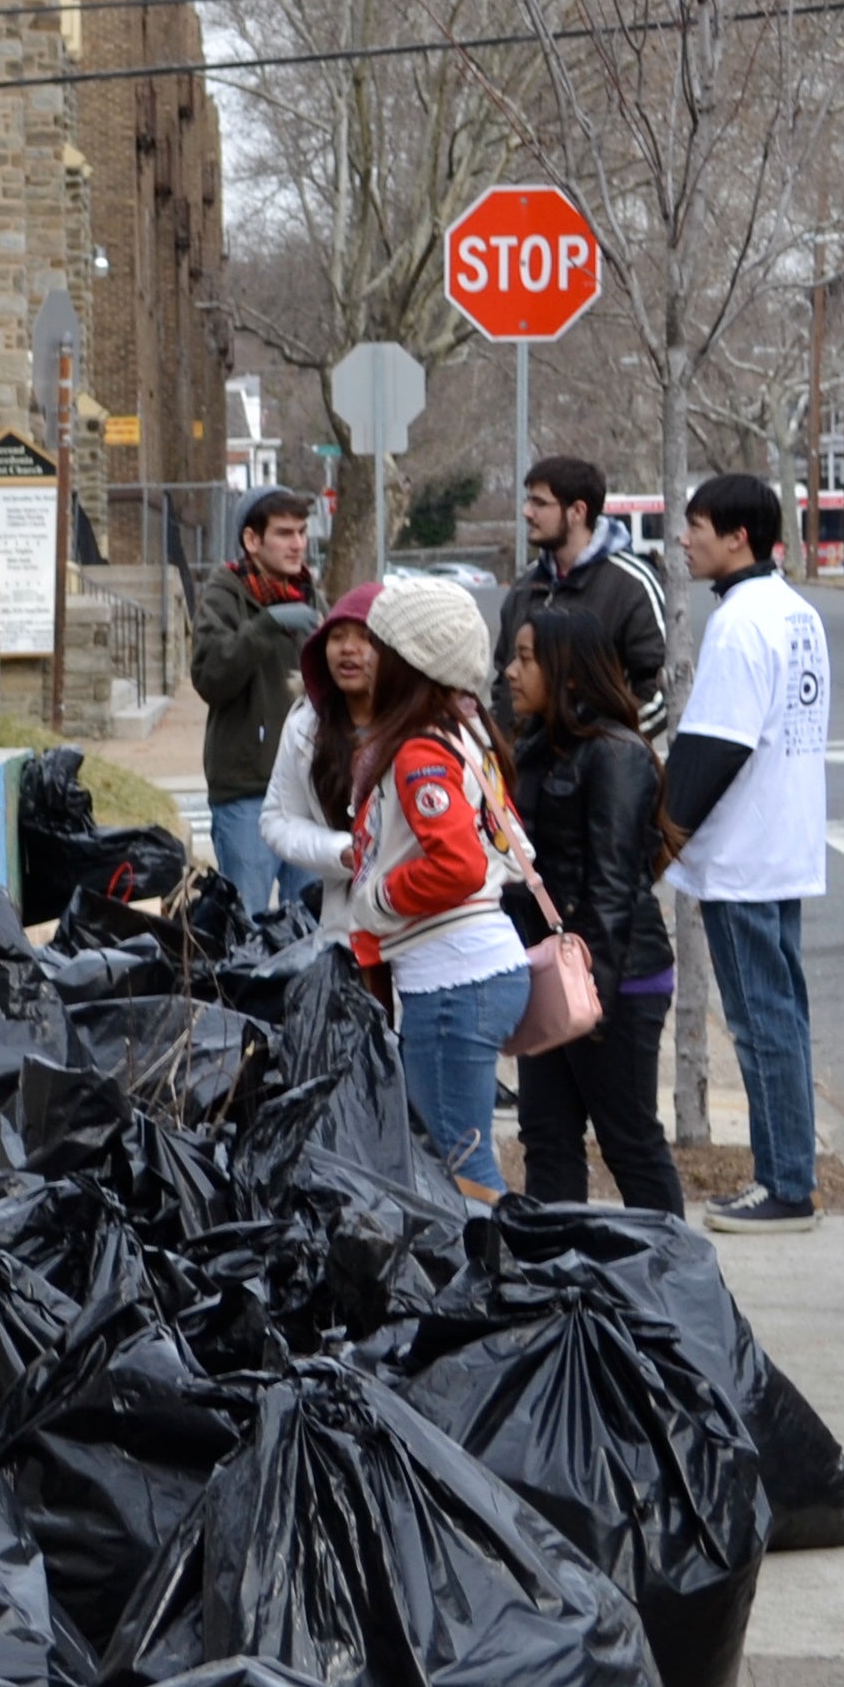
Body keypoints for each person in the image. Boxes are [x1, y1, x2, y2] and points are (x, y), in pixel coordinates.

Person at [661, 470, 833, 1231]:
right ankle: (788, 1174)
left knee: (762, 1022)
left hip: (742, 855)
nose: (685, 539)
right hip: (782, 846)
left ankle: (785, 1185)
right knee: (781, 1018)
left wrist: (659, 838)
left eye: (697, 526)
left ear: (738, 537)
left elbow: (714, 746)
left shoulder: (739, 623)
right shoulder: (796, 612)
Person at [339, 575, 532, 1199]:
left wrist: (378, 898)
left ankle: (501, 1289)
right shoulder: (466, 732)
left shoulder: (420, 751)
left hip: (453, 981)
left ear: (408, 663)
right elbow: (507, 846)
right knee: (455, 1157)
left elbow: (460, 866)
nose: (368, 657)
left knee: (461, 1171)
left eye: (380, 646)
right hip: (468, 971)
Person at [507, 603, 684, 1212]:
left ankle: (673, 1283)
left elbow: (610, 889)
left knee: (629, 1140)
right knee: (548, 1138)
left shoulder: (616, 754)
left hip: (619, 980)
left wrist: (597, 1002)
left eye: (526, 659)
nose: (510, 672)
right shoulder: (534, 750)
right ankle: (558, 1278)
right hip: (551, 974)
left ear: (570, 672)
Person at [187, 490, 316, 915]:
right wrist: (264, 627)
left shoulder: (310, 596)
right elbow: (209, 679)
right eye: (283, 533)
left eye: (301, 532)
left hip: (309, 792)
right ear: (251, 540)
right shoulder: (224, 595)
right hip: (247, 791)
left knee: (312, 926)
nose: (297, 543)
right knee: (248, 924)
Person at [497, 454, 672, 734]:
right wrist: (509, 751)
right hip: (527, 772)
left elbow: (659, 691)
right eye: (529, 501)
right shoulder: (525, 586)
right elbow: (502, 685)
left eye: (540, 503)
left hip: (601, 772)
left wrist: (601, 750)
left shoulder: (632, 585)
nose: (527, 512)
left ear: (578, 512)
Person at [262, 579, 384, 931]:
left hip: (418, 937)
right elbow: (276, 820)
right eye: (337, 636)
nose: (349, 649)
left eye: (366, 637)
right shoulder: (305, 724)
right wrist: (340, 851)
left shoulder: (423, 724)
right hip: (345, 930)